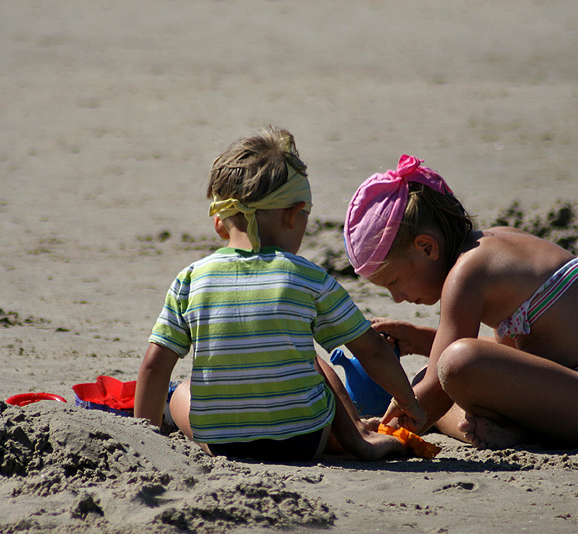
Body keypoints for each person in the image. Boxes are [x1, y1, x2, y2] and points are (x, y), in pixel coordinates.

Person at [134, 128, 427, 462]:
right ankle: (357, 438)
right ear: (293, 214)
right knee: (311, 361)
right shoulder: (308, 278)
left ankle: (164, 423)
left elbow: (154, 366)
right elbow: (372, 351)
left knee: (181, 392)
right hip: (302, 441)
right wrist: (410, 403)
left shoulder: (190, 280)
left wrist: (145, 443)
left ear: (220, 223)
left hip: (223, 445)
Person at [344, 154, 578, 450]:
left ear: (427, 248)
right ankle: (491, 431)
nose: (398, 298)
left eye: (395, 282)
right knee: (434, 375)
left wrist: (376, 432)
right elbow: (505, 357)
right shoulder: (496, 246)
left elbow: (448, 376)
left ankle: (508, 431)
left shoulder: (467, 273)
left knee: (452, 368)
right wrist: (416, 338)